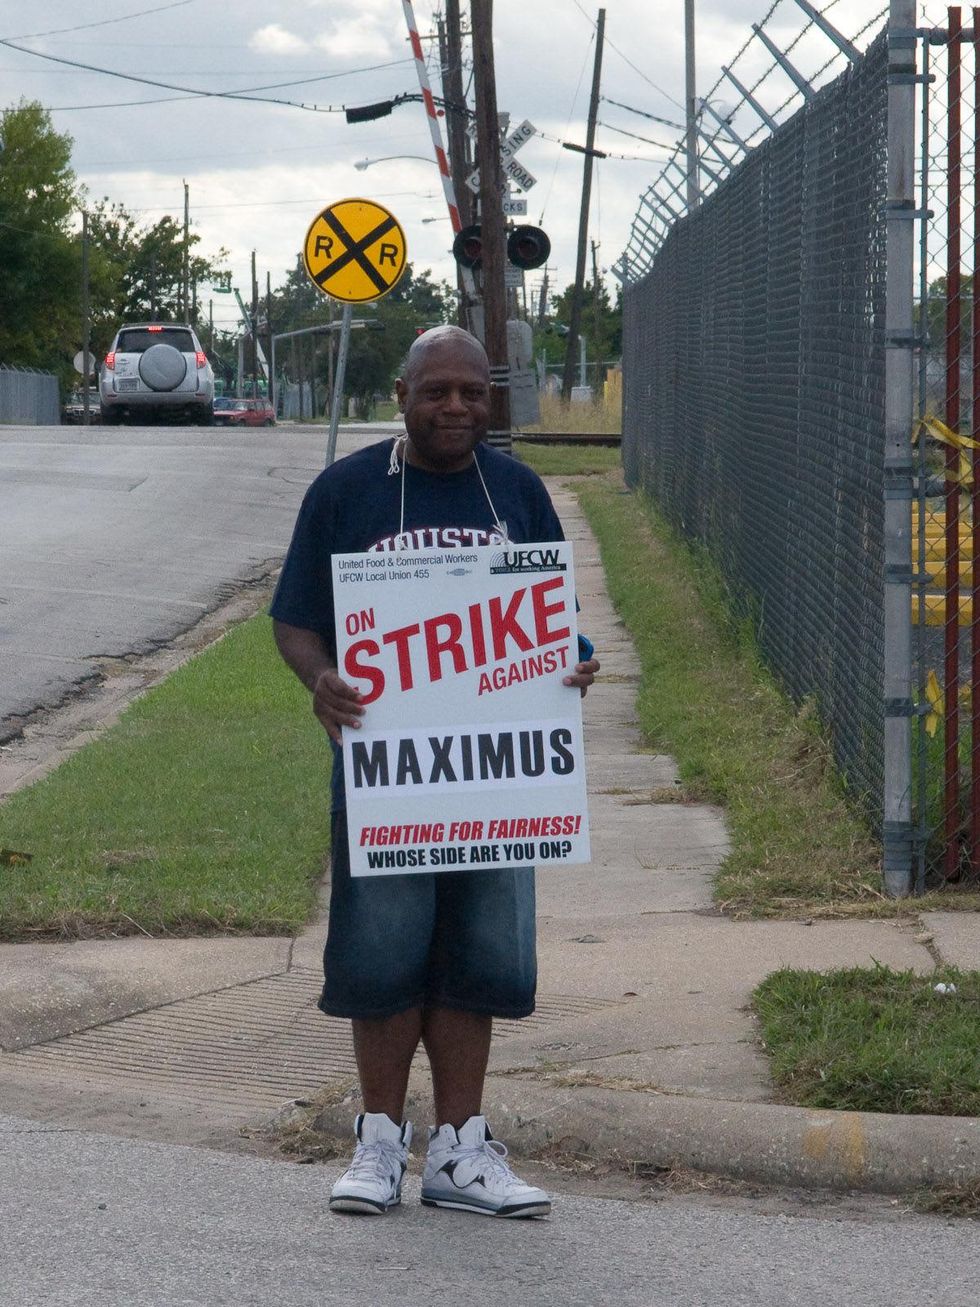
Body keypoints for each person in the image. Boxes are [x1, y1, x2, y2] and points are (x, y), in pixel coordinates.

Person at [271, 325, 599, 1219]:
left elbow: (551, 625)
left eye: (471, 393)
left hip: (499, 780)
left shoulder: (519, 492)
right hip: (390, 776)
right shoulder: (345, 492)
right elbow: (295, 619)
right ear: (401, 394)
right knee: (383, 954)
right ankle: (379, 1141)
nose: (455, 407)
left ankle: (459, 1150)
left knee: (479, 956)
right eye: (436, 392)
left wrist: (573, 662)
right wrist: (320, 679)